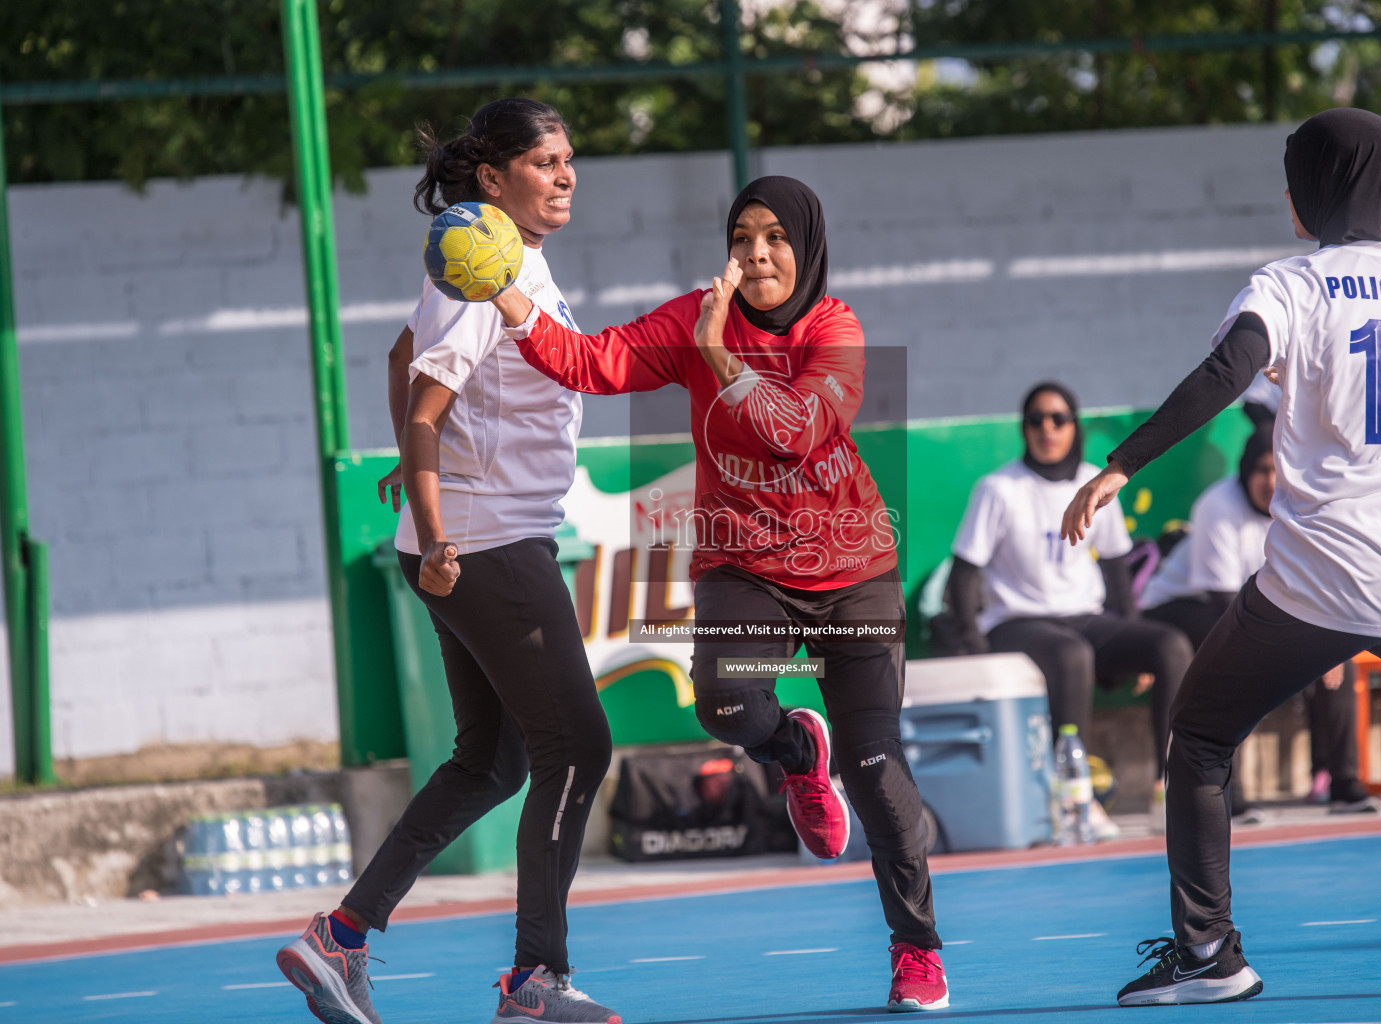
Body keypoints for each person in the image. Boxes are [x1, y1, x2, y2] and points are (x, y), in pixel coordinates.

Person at [1062, 108, 1381, 1006]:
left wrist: (1121, 463)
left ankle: (1208, 955)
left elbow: (1224, 374)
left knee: (1200, 737)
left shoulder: (1295, 284)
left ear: (1314, 195)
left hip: (1324, 579)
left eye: (1295, 182)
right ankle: (1205, 953)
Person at [488, 175, 949, 1012]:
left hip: (853, 574)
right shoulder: (694, 316)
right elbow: (594, 362)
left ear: (805, 248)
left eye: (775, 237)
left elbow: (801, 430)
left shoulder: (833, 328)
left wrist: (719, 357)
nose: (759, 253)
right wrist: (508, 297)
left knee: (878, 771)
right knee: (727, 705)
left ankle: (916, 949)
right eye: (743, 238)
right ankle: (796, 754)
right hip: (744, 565)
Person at [276, 98, 621, 1024]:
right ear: (492, 176)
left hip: (475, 536)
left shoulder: (504, 262)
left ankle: (339, 938)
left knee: (492, 762)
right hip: (488, 544)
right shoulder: (481, 270)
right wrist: (434, 524)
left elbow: (402, 358)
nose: (564, 175)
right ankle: (536, 981)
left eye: (569, 158)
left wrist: (414, 463)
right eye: (545, 161)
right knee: (577, 747)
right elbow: (427, 401)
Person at [948, 382, 1194, 832]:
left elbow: (1118, 575)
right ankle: (1075, 799)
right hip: (1018, 622)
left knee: (1170, 646)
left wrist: (1130, 641)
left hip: (1085, 618)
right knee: (1071, 656)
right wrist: (975, 651)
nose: (1048, 428)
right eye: (1036, 419)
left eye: (1058, 418)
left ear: (1073, 426)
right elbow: (962, 578)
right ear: (1023, 429)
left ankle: (1170, 789)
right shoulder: (998, 489)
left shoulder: (1096, 484)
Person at [1141, 430, 1379, 816]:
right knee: (1239, 656)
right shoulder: (1217, 505)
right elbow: (1223, 603)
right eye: (1260, 470)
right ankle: (1228, 794)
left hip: (1257, 610)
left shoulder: (1305, 504)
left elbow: (1320, 584)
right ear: (1243, 472)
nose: (1270, 481)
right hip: (1182, 607)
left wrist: (1325, 648)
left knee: (1338, 656)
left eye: (1277, 470)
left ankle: (1344, 783)